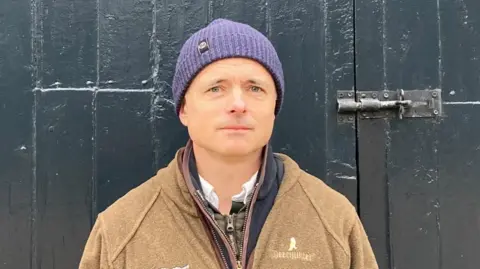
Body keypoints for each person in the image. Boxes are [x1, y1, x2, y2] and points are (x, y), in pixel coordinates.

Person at [78, 18, 378, 269]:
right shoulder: (121, 230)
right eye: (216, 88)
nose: (237, 104)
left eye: (255, 88)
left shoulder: (332, 219)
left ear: (274, 107)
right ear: (184, 109)